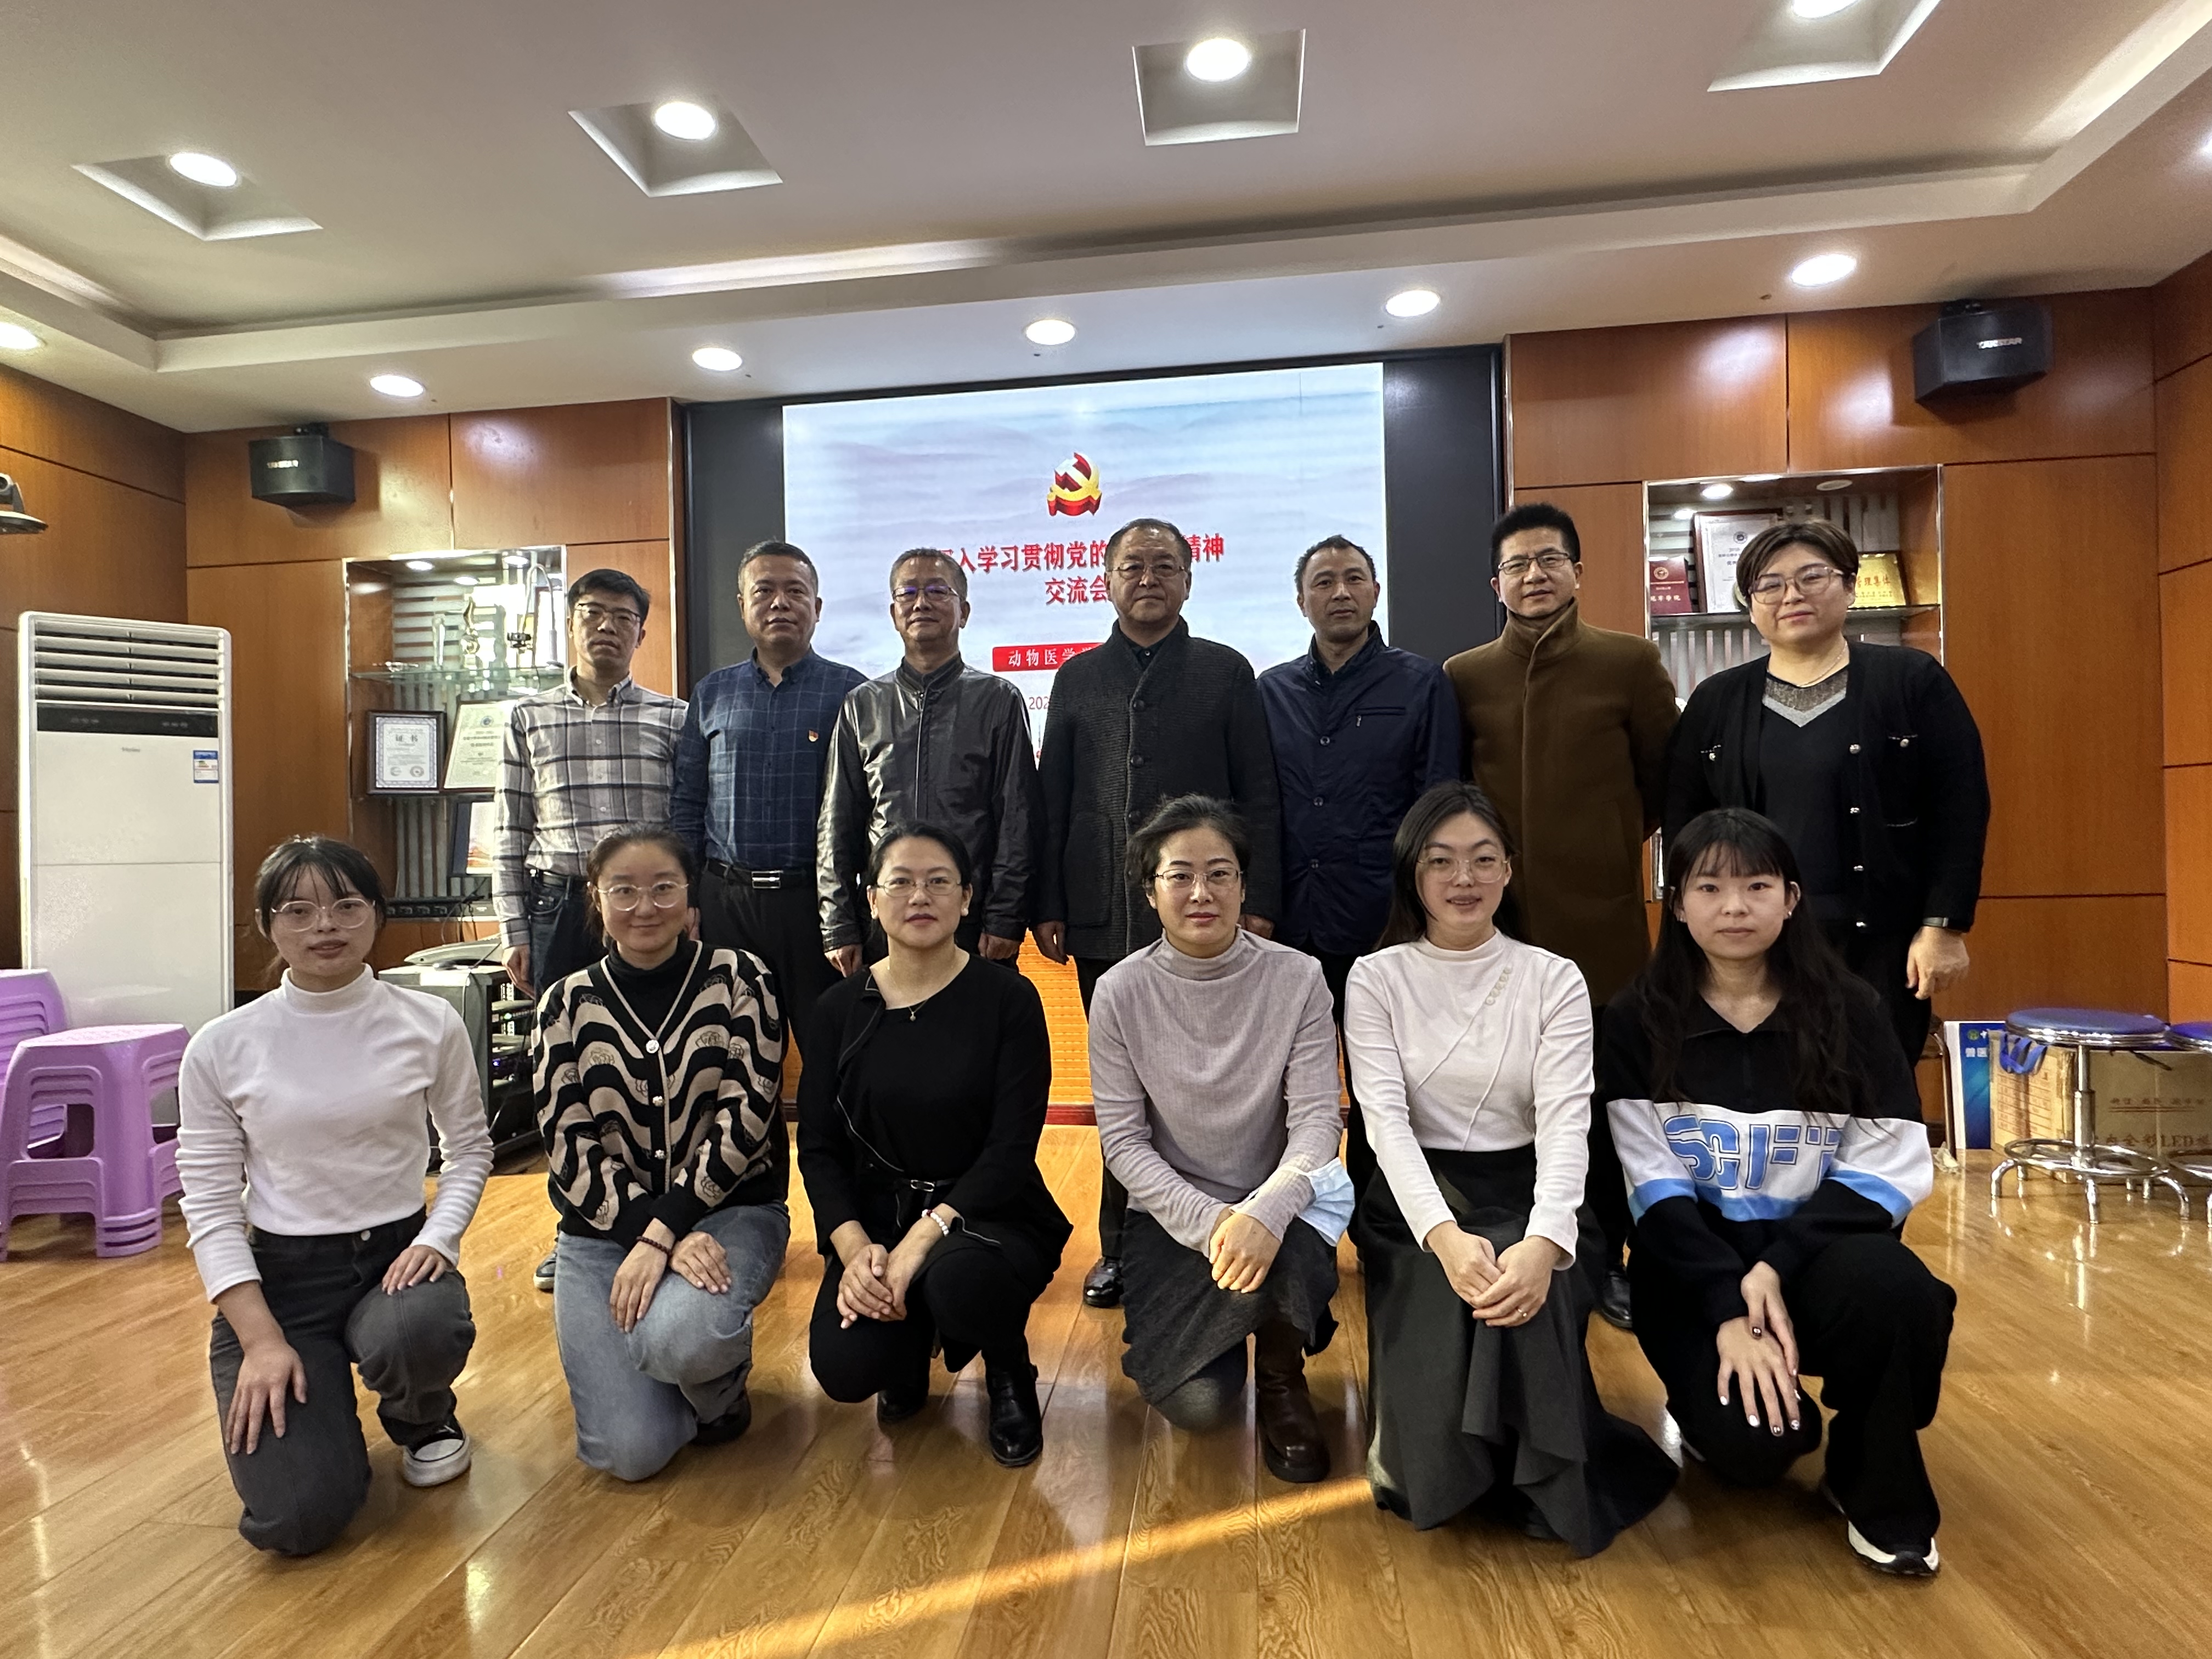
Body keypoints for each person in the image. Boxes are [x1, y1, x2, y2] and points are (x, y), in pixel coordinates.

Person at [1601, 806, 1955, 1577]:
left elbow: (1890, 1166)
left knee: (1899, 1292)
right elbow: (1651, 1190)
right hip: (1693, 1283)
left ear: (1791, 900)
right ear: (1677, 903)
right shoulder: (1636, 1022)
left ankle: (1876, 1486)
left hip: (1818, 1264)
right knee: (1757, 1450)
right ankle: (1719, 1410)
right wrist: (1728, 1305)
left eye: (1757, 886)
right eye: (1710, 888)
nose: (1735, 907)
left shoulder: (1851, 1011)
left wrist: (1776, 1266)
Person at [1343, 783, 1675, 1553]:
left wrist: (1547, 1240)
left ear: (1509, 870)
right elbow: (1384, 1124)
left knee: (1526, 1282)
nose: (1463, 878)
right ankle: (1454, 1466)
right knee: (1452, 1283)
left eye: (1483, 859)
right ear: (1413, 873)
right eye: (1441, 861)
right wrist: (1443, 1236)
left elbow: (1566, 1122)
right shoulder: (1375, 977)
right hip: (1418, 1195)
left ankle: (1540, 1477)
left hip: (1535, 1188)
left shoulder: (1553, 977)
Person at [177, 837, 491, 1556]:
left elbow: (470, 1149)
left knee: (415, 1330)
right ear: (268, 924)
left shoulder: (428, 1023)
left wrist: (437, 1239)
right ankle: (323, 1410)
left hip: (396, 1259)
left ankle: (421, 1416)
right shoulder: (222, 1046)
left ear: (377, 914)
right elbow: (211, 1206)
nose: (325, 926)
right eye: (299, 910)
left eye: (347, 906)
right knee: (298, 1520)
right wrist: (260, 1341)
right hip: (284, 1282)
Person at [1034, 517, 1283, 1310]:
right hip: (1105, 913)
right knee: (1125, 1094)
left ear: (1188, 579)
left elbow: (1259, 793)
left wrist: (1260, 901)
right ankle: (1121, 1248)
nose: (1148, 578)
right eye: (1132, 566)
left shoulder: (1225, 671)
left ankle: (1229, 1227)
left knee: (1210, 1085)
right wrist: (1050, 902)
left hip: (1211, 920)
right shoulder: (1078, 676)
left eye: (1165, 566)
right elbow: (1052, 799)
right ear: (1106, 580)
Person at [1447, 501, 1679, 1330]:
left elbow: (1664, 784)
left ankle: (1608, 1258)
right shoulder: (1465, 675)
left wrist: (1606, 842)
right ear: (1496, 584)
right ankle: (1519, 1242)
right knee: (1508, 1101)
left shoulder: (1629, 661)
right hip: (1496, 930)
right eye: (1517, 565)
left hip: (1600, 929)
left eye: (1549, 560)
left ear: (1578, 572)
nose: (1534, 576)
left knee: (1606, 1105)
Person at [1663, 517, 1989, 1069]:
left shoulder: (1911, 681)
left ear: (1850, 586)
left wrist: (1944, 927)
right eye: (1770, 585)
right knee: (1757, 1084)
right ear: (1751, 606)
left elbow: (1961, 808)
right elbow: (1685, 824)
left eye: (1811, 577)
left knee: (1874, 1084)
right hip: (1752, 943)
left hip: (1880, 942)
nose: (1791, 595)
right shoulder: (1717, 700)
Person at [1086, 795, 1345, 1483]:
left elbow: (1318, 1122)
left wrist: (1266, 1212)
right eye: (1180, 876)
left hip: (1279, 1201)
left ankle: (1283, 1377)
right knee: (1198, 1404)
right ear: (1151, 892)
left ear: (1243, 885)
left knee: (1294, 1236)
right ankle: (1238, 1327)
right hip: (1176, 1214)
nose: (1201, 893)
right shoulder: (1118, 992)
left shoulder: (1298, 977)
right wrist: (1216, 1225)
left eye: (1220, 874)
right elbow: (1124, 1143)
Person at [799, 825, 1070, 1467]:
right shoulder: (839, 1008)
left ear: (967, 897)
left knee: (961, 1283)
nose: (919, 896)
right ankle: (906, 1350)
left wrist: (924, 1236)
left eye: (938, 882)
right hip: (877, 1218)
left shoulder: (1008, 999)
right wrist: (855, 1249)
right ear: (872, 900)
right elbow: (818, 1148)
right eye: (900, 882)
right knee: (846, 1368)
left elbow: (1010, 1149)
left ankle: (1007, 1365)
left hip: (987, 1211)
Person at [533, 826, 790, 1482]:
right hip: (602, 1231)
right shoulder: (563, 1004)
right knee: (631, 1454)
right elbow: (566, 1142)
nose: (644, 907)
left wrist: (665, 1229)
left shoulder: (743, 979)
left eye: (663, 888)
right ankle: (666, 1369)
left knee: (682, 1340)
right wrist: (651, 1236)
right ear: (596, 898)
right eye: (623, 890)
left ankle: (717, 1383)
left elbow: (747, 1120)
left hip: (728, 1214)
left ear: (689, 895)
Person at [495, 567, 687, 1293]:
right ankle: (578, 1227)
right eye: (592, 613)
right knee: (567, 1071)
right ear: (571, 623)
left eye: (622, 617)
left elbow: (686, 826)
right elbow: (509, 831)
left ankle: (665, 1216)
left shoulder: (673, 717)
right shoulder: (527, 718)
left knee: (654, 1066)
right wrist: (515, 928)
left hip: (647, 906)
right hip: (561, 906)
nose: (606, 626)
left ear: (642, 631)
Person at [1259, 534, 1459, 1197]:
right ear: (1301, 601)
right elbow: (1257, 807)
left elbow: (1438, 807)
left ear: (1376, 592)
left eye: (1353, 578)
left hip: (1384, 923)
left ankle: (1381, 1219)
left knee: (1386, 1085)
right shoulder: (1270, 691)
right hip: (1290, 925)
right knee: (1292, 1086)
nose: (1339, 592)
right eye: (1323, 582)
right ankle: (1297, 1214)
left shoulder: (1422, 683)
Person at [670, 539, 866, 1075]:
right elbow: (687, 803)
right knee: (733, 1059)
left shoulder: (852, 692)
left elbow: (868, 809)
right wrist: (687, 896)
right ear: (742, 605)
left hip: (816, 906)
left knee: (833, 1058)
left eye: (795, 591)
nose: (780, 602)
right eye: (764, 591)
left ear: (817, 607)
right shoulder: (712, 693)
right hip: (726, 905)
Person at [817, 548, 1039, 974]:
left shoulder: (998, 700)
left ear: (964, 612)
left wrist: (1006, 917)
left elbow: (1018, 819)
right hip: (885, 920)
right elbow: (836, 823)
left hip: (972, 920)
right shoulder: (863, 705)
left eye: (938, 591)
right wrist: (838, 925)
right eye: (908, 593)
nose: (921, 603)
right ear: (893, 613)